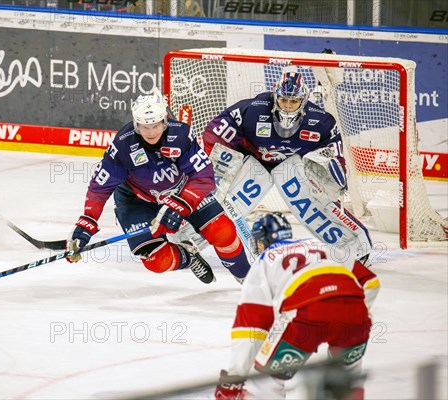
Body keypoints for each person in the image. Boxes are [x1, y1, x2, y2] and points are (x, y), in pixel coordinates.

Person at [66, 90, 251, 283]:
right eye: (145, 127)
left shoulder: (181, 135)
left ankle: (247, 278)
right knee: (156, 261)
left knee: (222, 231)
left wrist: (179, 204)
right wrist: (87, 220)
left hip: (182, 192)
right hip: (138, 203)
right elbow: (99, 187)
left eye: (155, 125)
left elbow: (204, 177)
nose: (151, 132)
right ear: (136, 124)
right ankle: (187, 255)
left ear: (164, 121)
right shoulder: (123, 146)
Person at [203, 71, 372, 264]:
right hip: (254, 161)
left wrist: (333, 171)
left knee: (311, 205)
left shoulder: (321, 122)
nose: (288, 106)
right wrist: (217, 170)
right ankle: (189, 238)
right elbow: (215, 133)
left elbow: (334, 153)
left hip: (289, 166)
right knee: (219, 202)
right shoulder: (252, 110)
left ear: (304, 101)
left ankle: (355, 248)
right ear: (275, 97)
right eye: (283, 100)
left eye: (294, 101)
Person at [214, 212, 380, 399]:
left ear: (261, 242)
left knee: (264, 383)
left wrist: (233, 380)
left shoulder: (265, 261)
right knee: (348, 381)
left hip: (306, 317)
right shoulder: (320, 245)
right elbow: (371, 283)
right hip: (354, 316)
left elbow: (249, 328)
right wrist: (358, 312)